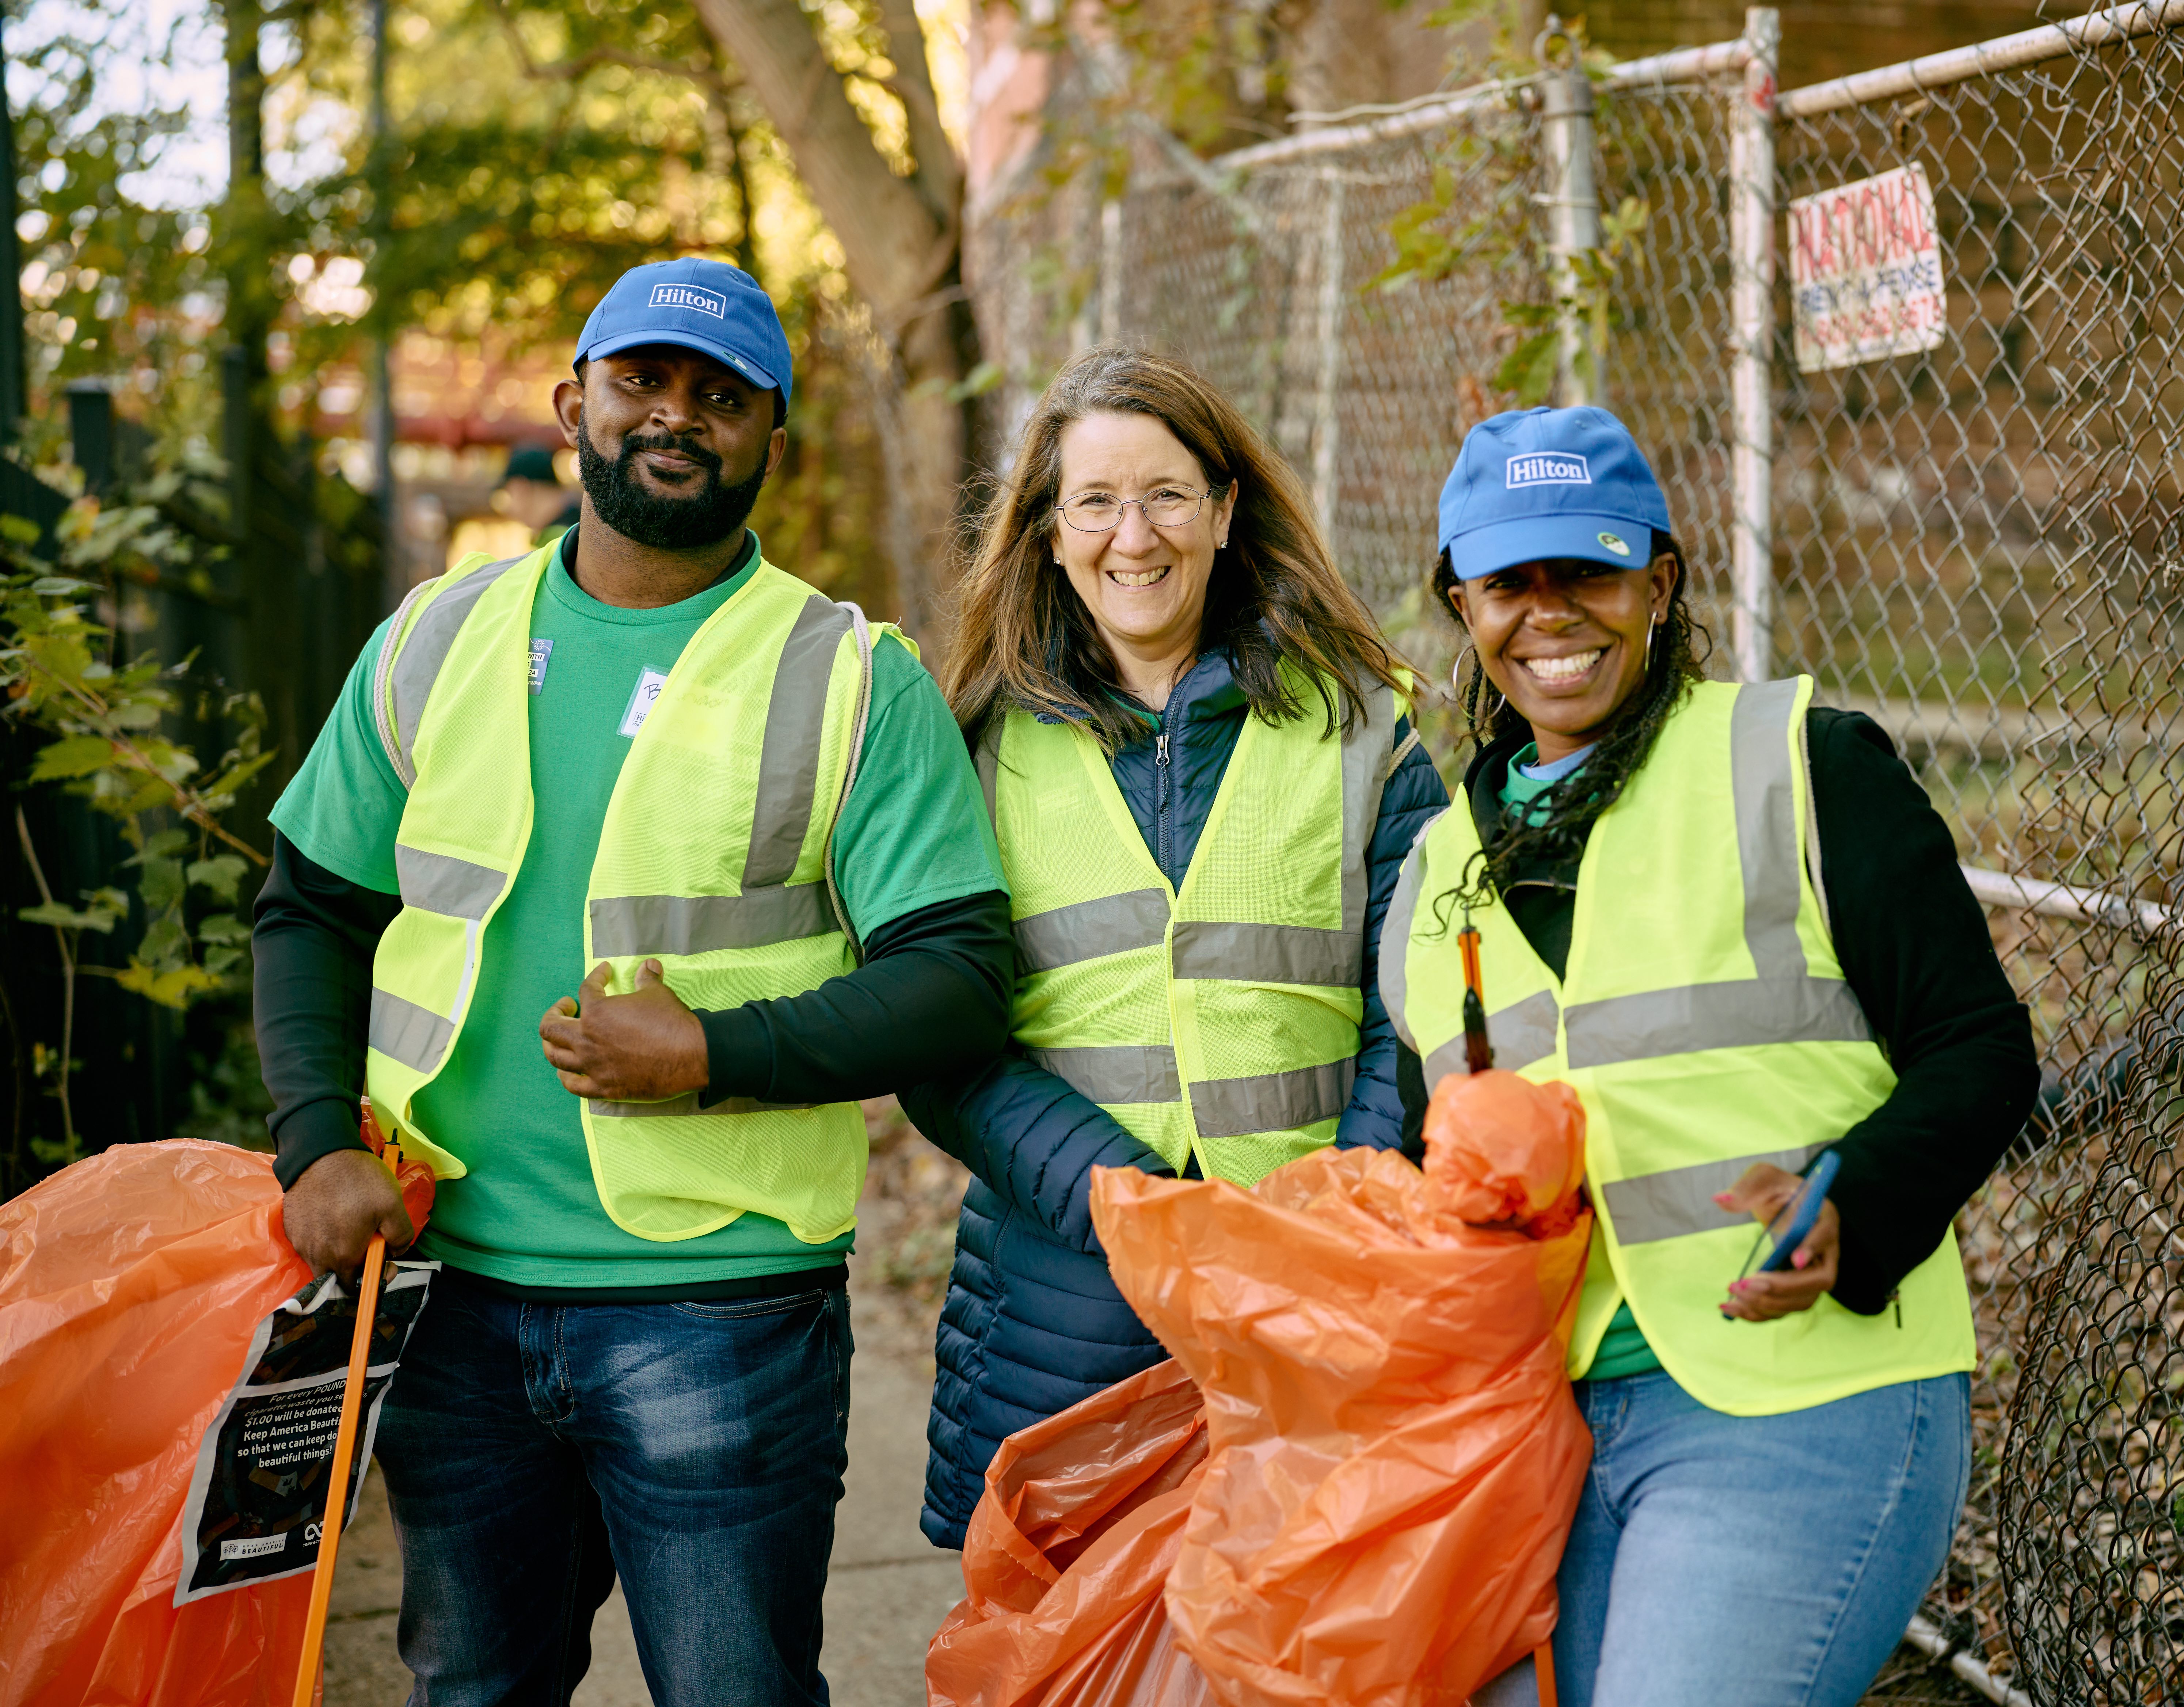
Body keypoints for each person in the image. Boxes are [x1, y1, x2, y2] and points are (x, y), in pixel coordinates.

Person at [250, 256, 1013, 1705]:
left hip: (721, 1312)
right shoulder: (431, 642)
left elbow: (960, 979)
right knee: (474, 1688)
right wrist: (315, 1139)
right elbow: (309, 909)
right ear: (571, 406)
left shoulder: (850, 675)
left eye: (722, 396)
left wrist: (715, 1049)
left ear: (771, 439)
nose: (679, 415)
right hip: (449, 1293)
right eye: (644, 381)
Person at [1383, 407, 2038, 1707]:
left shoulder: (1802, 765)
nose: (1551, 612)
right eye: (1511, 580)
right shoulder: (1432, 872)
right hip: (1540, 1427)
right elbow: (1442, 1168)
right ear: (1460, 601)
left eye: (1592, 571)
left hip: (1800, 1403)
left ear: (1662, 583)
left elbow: (1981, 1047)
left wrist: (1853, 1193)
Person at [901, 345, 1449, 1547]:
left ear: (1221, 510)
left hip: (1309, 1288)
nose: (1129, 535)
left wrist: (1323, 1213)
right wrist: (1115, 1198)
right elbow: (938, 1031)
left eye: (1162, 495)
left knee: (1298, 1642)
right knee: (1061, 1652)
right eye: (1093, 501)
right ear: (1048, 532)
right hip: (1064, 1296)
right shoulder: (970, 747)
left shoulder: (1360, 723)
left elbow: (1413, 997)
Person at [495, 441, 582, 548]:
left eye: (508, 493)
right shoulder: (579, 523)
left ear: (522, 488)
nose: (507, 508)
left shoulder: (560, 541)